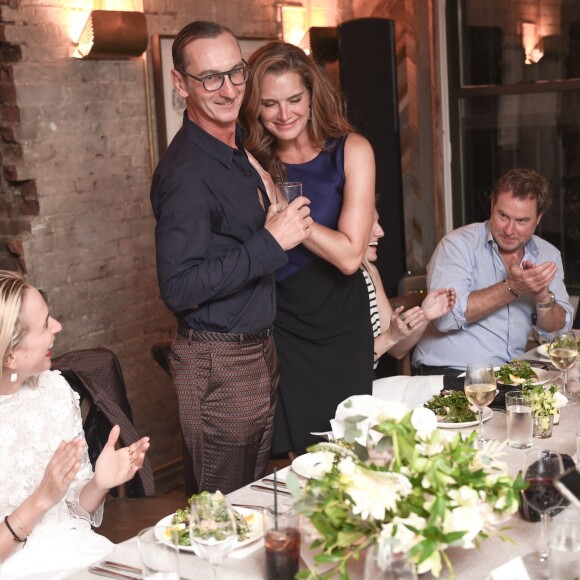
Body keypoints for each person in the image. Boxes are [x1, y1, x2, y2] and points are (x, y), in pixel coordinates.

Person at [150, 22, 312, 494]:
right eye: (210, 78)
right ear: (181, 83)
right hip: (218, 360)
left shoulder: (237, 145)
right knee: (221, 509)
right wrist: (271, 242)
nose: (229, 88)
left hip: (257, 350)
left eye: (236, 72)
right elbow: (178, 287)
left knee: (251, 500)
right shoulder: (185, 173)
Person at [240, 41, 376, 456]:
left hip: (342, 320)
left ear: (312, 94)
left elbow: (351, 256)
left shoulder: (353, 150)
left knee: (353, 449)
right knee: (297, 456)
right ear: (255, 107)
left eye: (294, 99)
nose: (284, 114)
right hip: (281, 320)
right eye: (269, 104)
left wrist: (286, 213)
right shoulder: (249, 159)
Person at [0, 271, 150, 578]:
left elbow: (73, 508)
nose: (57, 327)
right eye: (44, 325)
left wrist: (99, 483)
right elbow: (47, 501)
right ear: (11, 356)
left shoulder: (55, 390)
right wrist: (40, 500)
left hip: (80, 550)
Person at [413, 168, 574, 379]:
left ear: (538, 218)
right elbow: (445, 319)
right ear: (492, 206)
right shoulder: (457, 245)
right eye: (503, 216)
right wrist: (512, 287)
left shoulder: (548, 255)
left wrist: (543, 297)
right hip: (448, 373)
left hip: (508, 374)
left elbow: (558, 333)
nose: (509, 229)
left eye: (522, 221)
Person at [362, 210, 456, 368]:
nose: (380, 232)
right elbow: (342, 361)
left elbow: (396, 350)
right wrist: (390, 337)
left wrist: (424, 316)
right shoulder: (325, 282)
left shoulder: (370, 272)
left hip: (365, 385)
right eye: (370, 223)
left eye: (378, 222)